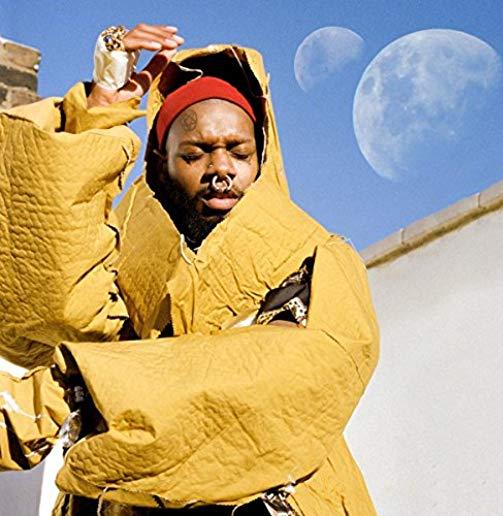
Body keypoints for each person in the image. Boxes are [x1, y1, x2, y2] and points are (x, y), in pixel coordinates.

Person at [0, 23, 379, 515]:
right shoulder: (128, 243)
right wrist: (98, 111)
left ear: (261, 154)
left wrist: (86, 389)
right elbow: (46, 302)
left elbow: (288, 377)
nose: (220, 168)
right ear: (161, 162)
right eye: (195, 153)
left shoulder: (314, 253)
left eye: (238, 151)